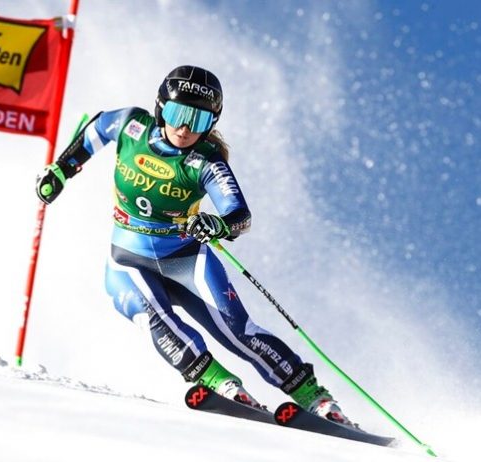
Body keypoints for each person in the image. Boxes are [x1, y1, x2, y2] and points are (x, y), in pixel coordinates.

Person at [36, 65, 354, 426]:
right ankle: (222, 383)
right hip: (129, 258)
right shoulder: (130, 125)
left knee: (236, 331)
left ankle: (316, 398)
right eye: (176, 114)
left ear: (212, 122)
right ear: (160, 107)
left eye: (198, 119)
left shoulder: (204, 161)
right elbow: (95, 129)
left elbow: (240, 215)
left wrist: (218, 224)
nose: (185, 128)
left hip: (185, 259)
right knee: (152, 316)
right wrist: (61, 170)